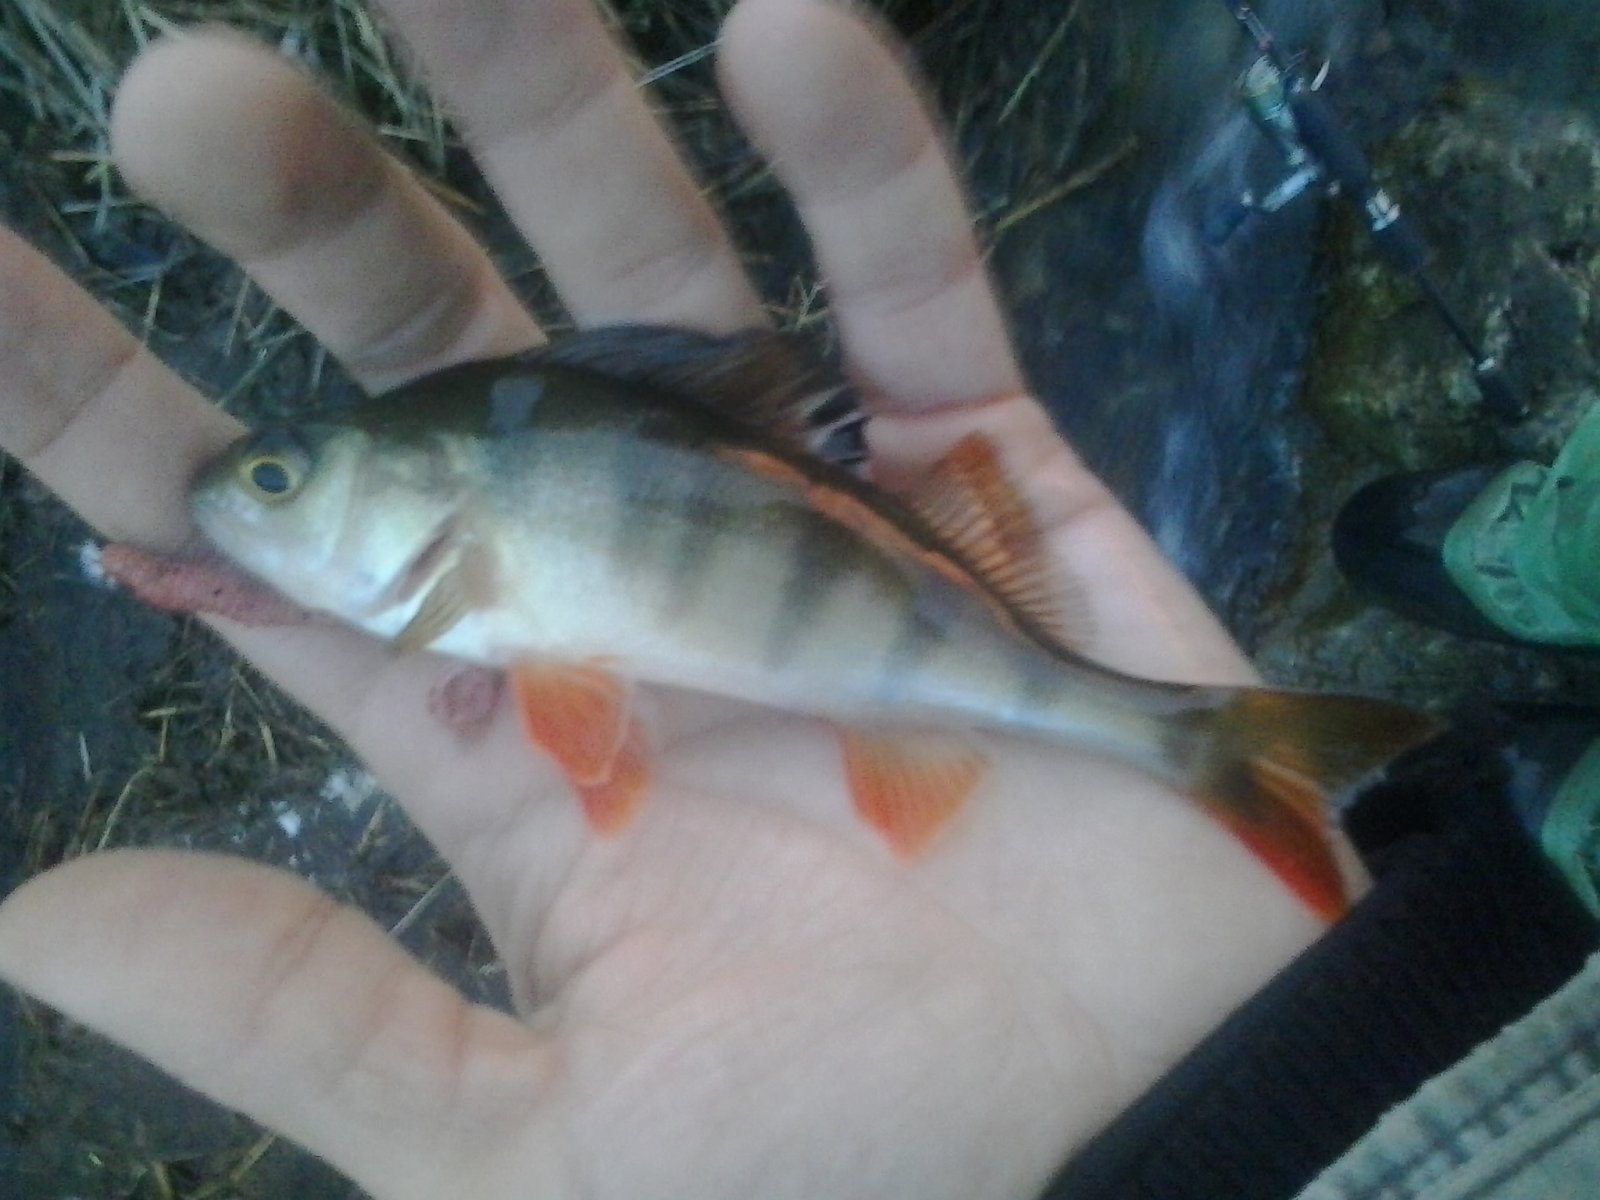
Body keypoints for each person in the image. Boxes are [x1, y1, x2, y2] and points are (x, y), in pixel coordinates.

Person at [0, 3, 1592, 1199]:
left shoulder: (476, 556)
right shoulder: (469, 556)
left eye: (281, 481)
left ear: (420, 491)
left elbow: (583, 702)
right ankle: (1243, 746)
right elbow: (584, 697)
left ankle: (1218, 745)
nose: (244, 502)